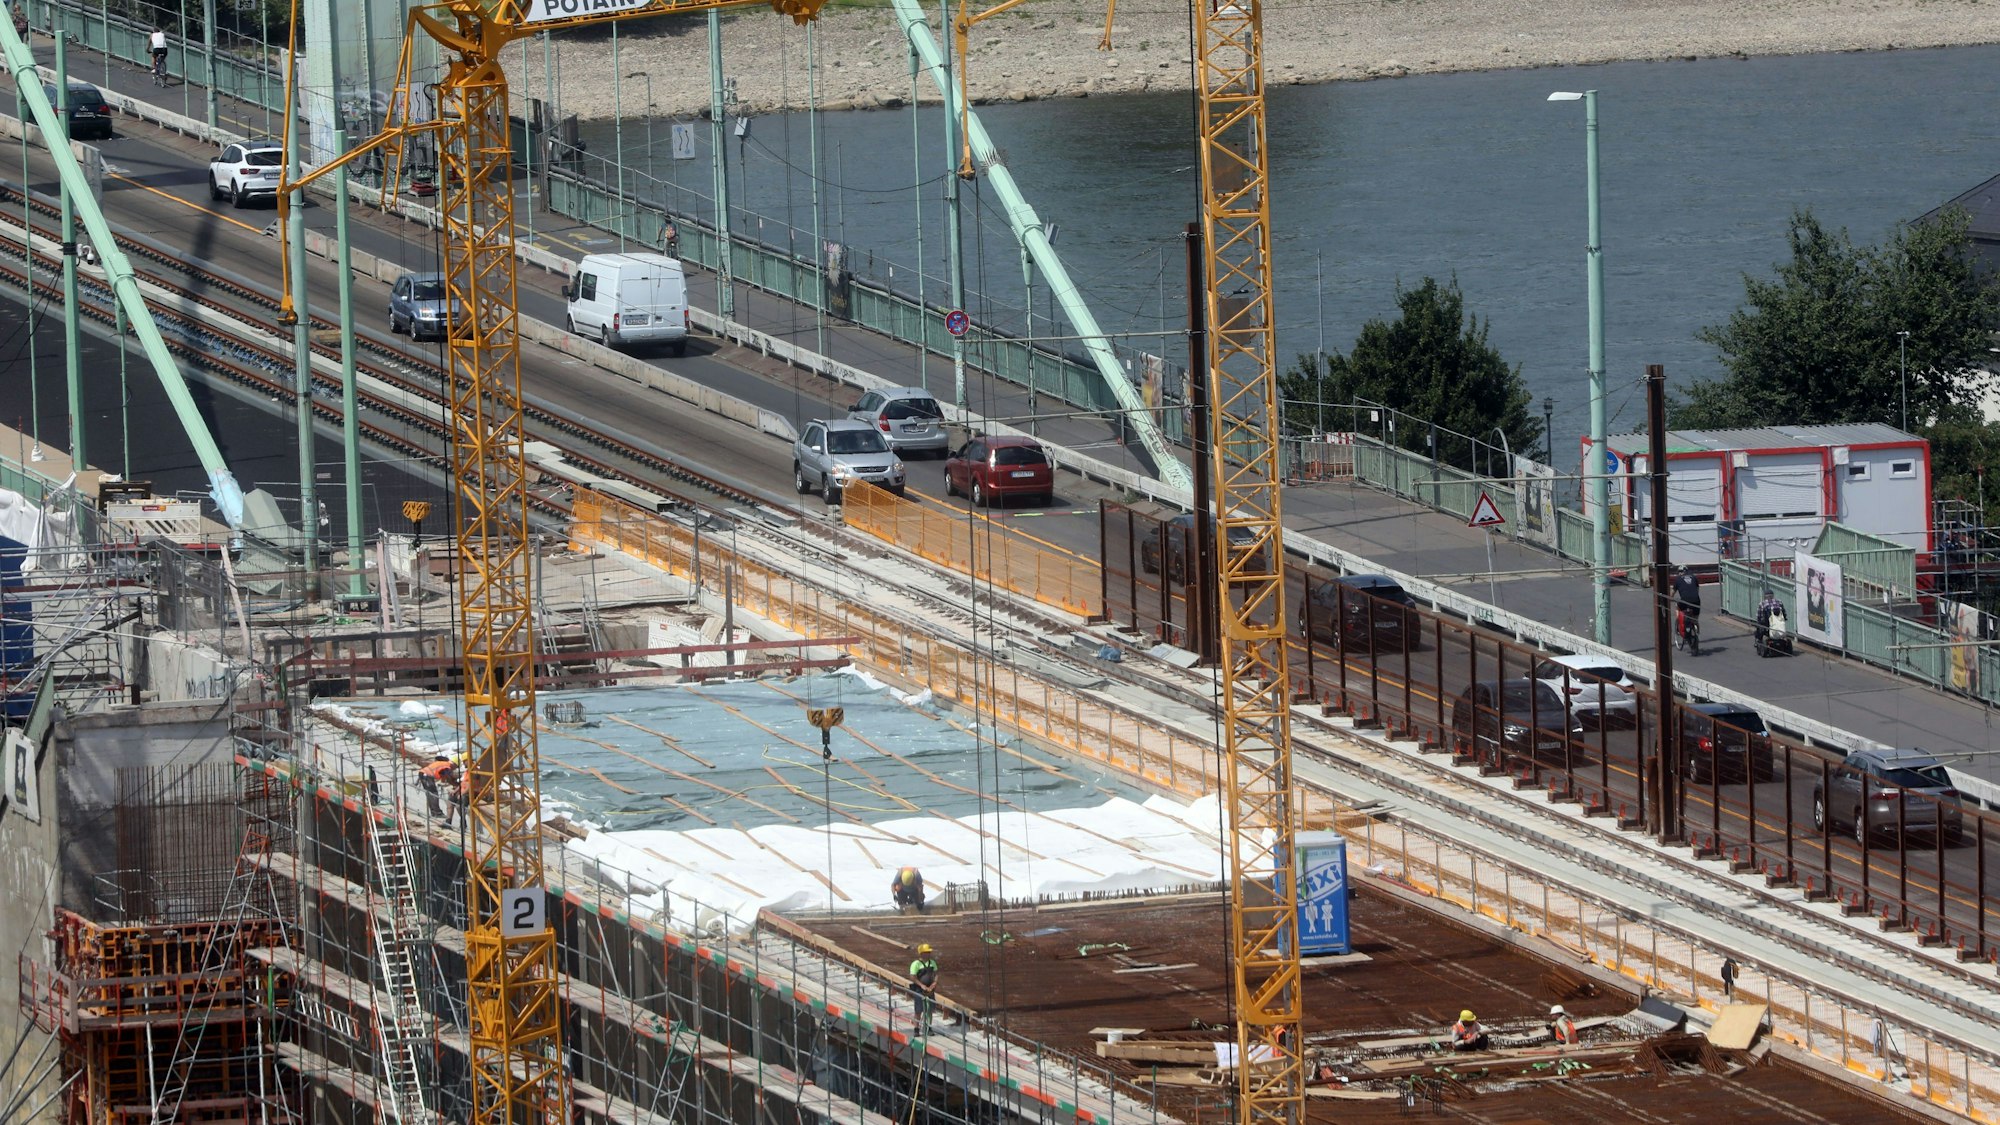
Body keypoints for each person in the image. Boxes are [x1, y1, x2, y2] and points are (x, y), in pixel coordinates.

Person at [907, 943, 940, 1028]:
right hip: (919, 989)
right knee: (918, 1010)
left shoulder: (932, 962)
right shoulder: (916, 964)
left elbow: (936, 973)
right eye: (927, 952)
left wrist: (934, 982)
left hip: (930, 990)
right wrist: (921, 985)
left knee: (930, 1010)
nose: (929, 954)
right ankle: (916, 1028)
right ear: (921, 953)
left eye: (929, 952)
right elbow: (912, 977)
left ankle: (929, 1027)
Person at [1671, 565, 1701, 646]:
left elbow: (1672, 593)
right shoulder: (1694, 577)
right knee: (1695, 619)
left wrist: (1670, 598)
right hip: (1696, 600)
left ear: (1679, 572)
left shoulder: (1678, 579)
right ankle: (1696, 631)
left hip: (1684, 601)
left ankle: (1678, 620)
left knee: (1677, 606)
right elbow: (1697, 590)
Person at [419, 754, 453, 820]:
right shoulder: (447, 766)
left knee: (430, 794)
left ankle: (434, 812)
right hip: (426, 776)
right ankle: (437, 812)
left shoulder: (441, 763)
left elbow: (442, 775)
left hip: (424, 774)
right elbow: (445, 776)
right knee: (433, 793)